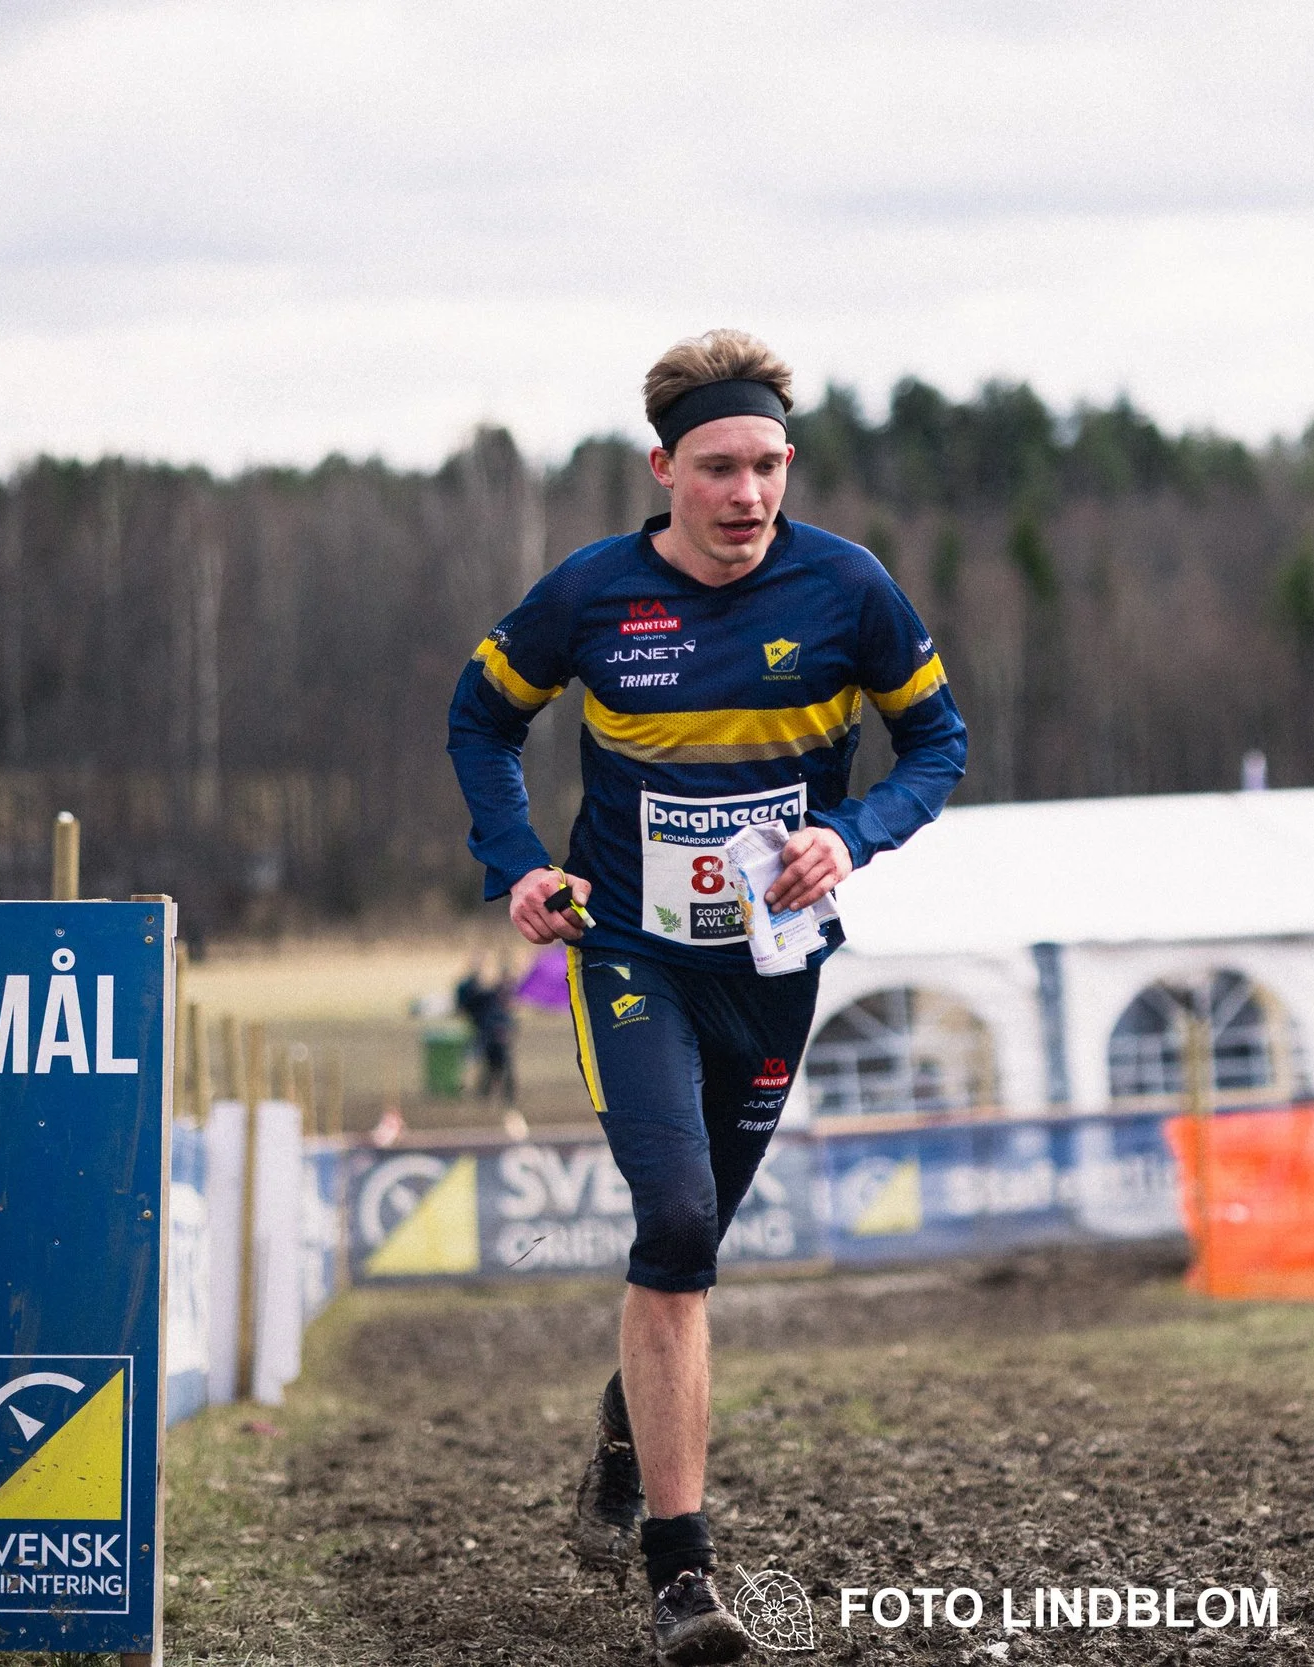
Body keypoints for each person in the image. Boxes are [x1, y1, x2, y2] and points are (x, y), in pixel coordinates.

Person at [447, 329, 967, 1664]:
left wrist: (852, 832)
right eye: (723, 467)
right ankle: (685, 1575)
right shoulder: (593, 595)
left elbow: (939, 739)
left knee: (692, 1241)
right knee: (674, 1218)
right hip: (628, 953)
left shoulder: (848, 589)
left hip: (774, 965)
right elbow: (480, 713)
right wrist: (516, 863)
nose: (750, 495)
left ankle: (624, 1435)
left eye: (771, 467)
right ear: (664, 468)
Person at [455, 955, 518, 1106]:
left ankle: (505, 1096)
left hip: (496, 1034)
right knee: (489, 1065)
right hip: (488, 1034)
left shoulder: (496, 995)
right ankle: (487, 1094)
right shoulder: (484, 995)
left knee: (501, 1066)